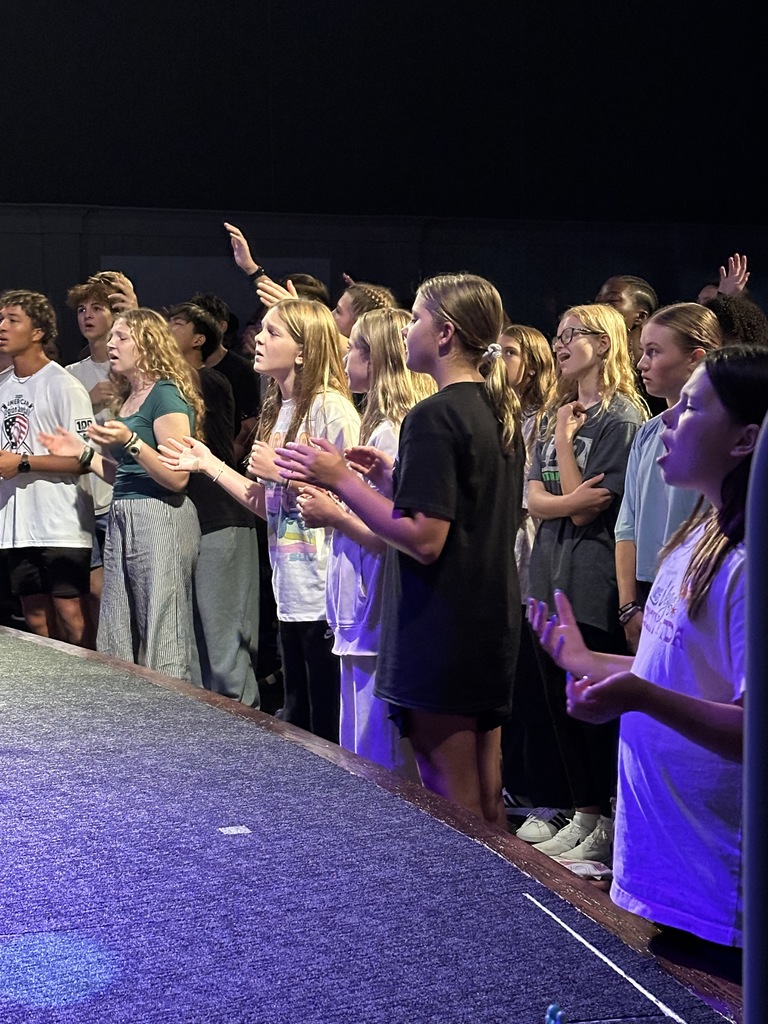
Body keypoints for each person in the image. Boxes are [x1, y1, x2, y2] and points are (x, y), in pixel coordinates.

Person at [529, 343, 768, 951]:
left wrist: (636, 696)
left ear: (744, 441)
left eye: (691, 408)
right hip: (675, 866)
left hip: (723, 881)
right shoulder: (700, 532)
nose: (667, 420)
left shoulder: (748, 563)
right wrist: (592, 662)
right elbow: (682, 674)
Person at [272, 273, 524, 828]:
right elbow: (468, 516)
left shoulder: (433, 415)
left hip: (442, 624)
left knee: (453, 806)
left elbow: (425, 541)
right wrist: (396, 476)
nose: (407, 329)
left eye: (416, 318)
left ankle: (465, 913)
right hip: (487, 618)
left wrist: (340, 480)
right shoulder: (494, 408)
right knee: (485, 801)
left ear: (445, 334)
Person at [158, 299, 360, 741]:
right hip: (291, 586)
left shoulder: (331, 409)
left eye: (273, 333)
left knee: (327, 725)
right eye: (261, 331)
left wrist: (281, 476)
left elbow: (351, 501)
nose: (258, 340)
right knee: (302, 720)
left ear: (304, 350)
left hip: (325, 588)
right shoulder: (279, 409)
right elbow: (264, 502)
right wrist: (209, 462)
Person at [526, 303, 647, 863]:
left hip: (591, 578)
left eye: (573, 335)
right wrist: (563, 493)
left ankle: (607, 823)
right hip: (550, 572)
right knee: (559, 703)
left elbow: (583, 510)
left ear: (604, 343)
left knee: (594, 707)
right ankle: (584, 813)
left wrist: (567, 447)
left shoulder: (620, 418)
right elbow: (534, 499)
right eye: (558, 335)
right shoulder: (561, 410)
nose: (560, 343)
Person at [295, 307, 434, 776]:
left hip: (376, 607)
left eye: (353, 347)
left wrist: (334, 510)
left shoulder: (393, 432)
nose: (345, 355)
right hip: (358, 610)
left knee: (382, 759)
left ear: (375, 361)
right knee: (360, 753)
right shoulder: (376, 426)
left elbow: (393, 536)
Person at [40, 308, 204, 679]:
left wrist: (130, 441)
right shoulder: (130, 396)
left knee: (162, 624)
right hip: (124, 513)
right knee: (118, 623)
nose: (111, 344)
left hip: (161, 515)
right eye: (112, 337)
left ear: (147, 344)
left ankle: (170, 715)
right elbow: (126, 474)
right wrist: (82, 453)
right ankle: (129, 714)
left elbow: (177, 479)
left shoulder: (165, 395)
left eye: (122, 337)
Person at [495, 325, 574, 842]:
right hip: (509, 555)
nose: (499, 360)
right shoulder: (505, 417)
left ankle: (553, 797)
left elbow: (534, 497)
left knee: (539, 684)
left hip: (536, 558)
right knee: (516, 683)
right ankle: (518, 785)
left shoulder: (545, 419)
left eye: (510, 352)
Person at [167, 302, 261, 706]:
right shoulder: (167, 386)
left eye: (176, 323)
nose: (166, 330)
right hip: (189, 520)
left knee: (225, 648)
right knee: (196, 644)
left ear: (200, 338)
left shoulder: (209, 380)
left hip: (224, 518)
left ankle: (249, 732)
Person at [615, 303, 723, 654]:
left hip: (698, 588)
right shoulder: (647, 433)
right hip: (649, 590)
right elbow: (627, 525)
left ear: (695, 358)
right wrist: (629, 605)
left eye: (654, 352)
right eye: (642, 351)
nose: (641, 363)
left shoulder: (715, 436)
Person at [0, 290, 95, 646]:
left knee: (72, 616)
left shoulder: (64, 385)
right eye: (0, 319)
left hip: (60, 524)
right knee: (35, 617)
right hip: (15, 523)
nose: (2, 327)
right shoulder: (3, 386)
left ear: (38, 331)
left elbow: (84, 460)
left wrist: (22, 463)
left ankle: (90, 692)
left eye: (13, 320)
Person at [65, 276, 119, 621]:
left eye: (97, 308)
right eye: (82, 310)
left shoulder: (130, 370)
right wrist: (87, 399)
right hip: (84, 498)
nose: (87, 316)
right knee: (94, 593)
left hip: (119, 493)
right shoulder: (70, 375)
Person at [594, 274, 664, 416]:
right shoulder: (597, 366)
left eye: (612, 301)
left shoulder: (657, 369)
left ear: (640, 317)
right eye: (597, 303)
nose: (600, 309)